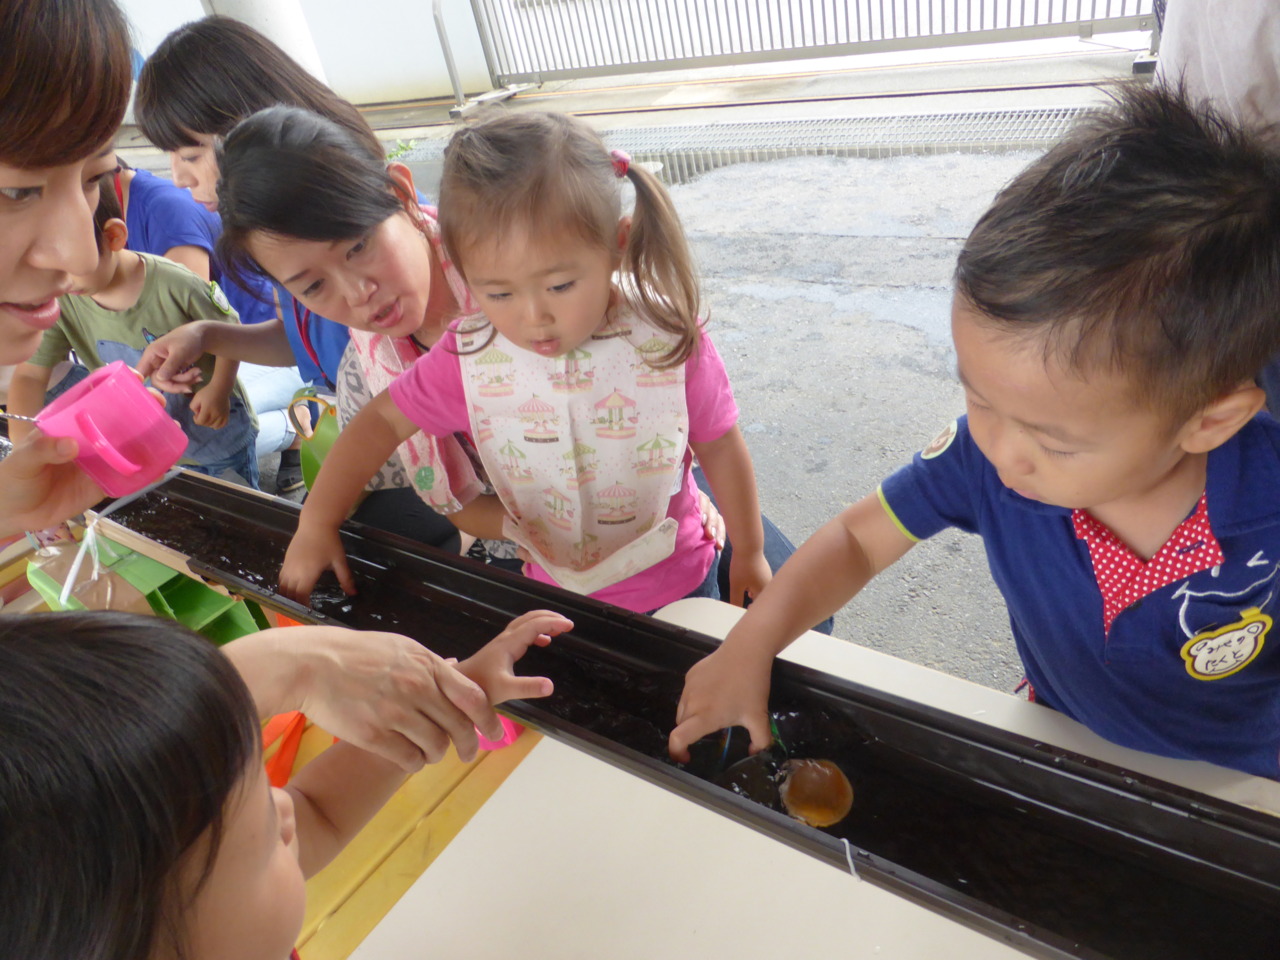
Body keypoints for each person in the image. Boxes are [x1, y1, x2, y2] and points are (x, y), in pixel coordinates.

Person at [669, 83, 1280, 780]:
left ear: (1210, 419)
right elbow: (858, 540)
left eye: (1055, 441)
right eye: (978, 396)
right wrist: (749, 644)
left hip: (1245, 786)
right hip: (1059, 734)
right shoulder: (979, 456)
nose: (1003, 455)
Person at [0, 0, 524, 776]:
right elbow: (345, 379)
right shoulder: (314, 283)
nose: (79, 255)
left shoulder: (493, 284)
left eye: (93, 181)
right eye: (21, 190)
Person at [270, 110, 773, 616]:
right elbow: (381, 420)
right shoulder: (469, 354)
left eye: (560, 285)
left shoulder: (666, 336)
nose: (534, 318)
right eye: (499, 293)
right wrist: (316, 521)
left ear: (617, 244)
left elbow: (720, 445)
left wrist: (750, 551)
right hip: (552, 587)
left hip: (679, 577)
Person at [0, 607, 569, 960]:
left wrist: (453, 695)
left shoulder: (220, 922)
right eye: (266, 834)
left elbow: (317, 810)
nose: (285, 805)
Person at [134, 14, 374, 390]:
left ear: (252, 128)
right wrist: (204, 334)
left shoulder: (364, 217)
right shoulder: (272, 224)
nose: (179, 178)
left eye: (191, 156)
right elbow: (298, 342)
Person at [6, 186, 261, 488]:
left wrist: (219, 389)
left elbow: (231, 334)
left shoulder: (177, 283)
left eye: (67, 266)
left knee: (235, 503)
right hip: (146, 440)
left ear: (113, 237)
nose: (57, 281)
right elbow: (30, 375)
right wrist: (23, 454)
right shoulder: (63, 299)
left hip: (218, 437)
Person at [113, 157, 308, 493]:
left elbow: (187, 327)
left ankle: (295, 429)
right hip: (217, 346)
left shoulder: (168, 210)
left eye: (190, 154)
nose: (179, 177)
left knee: (195, 426)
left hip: (265, 349)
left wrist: (217, 388)